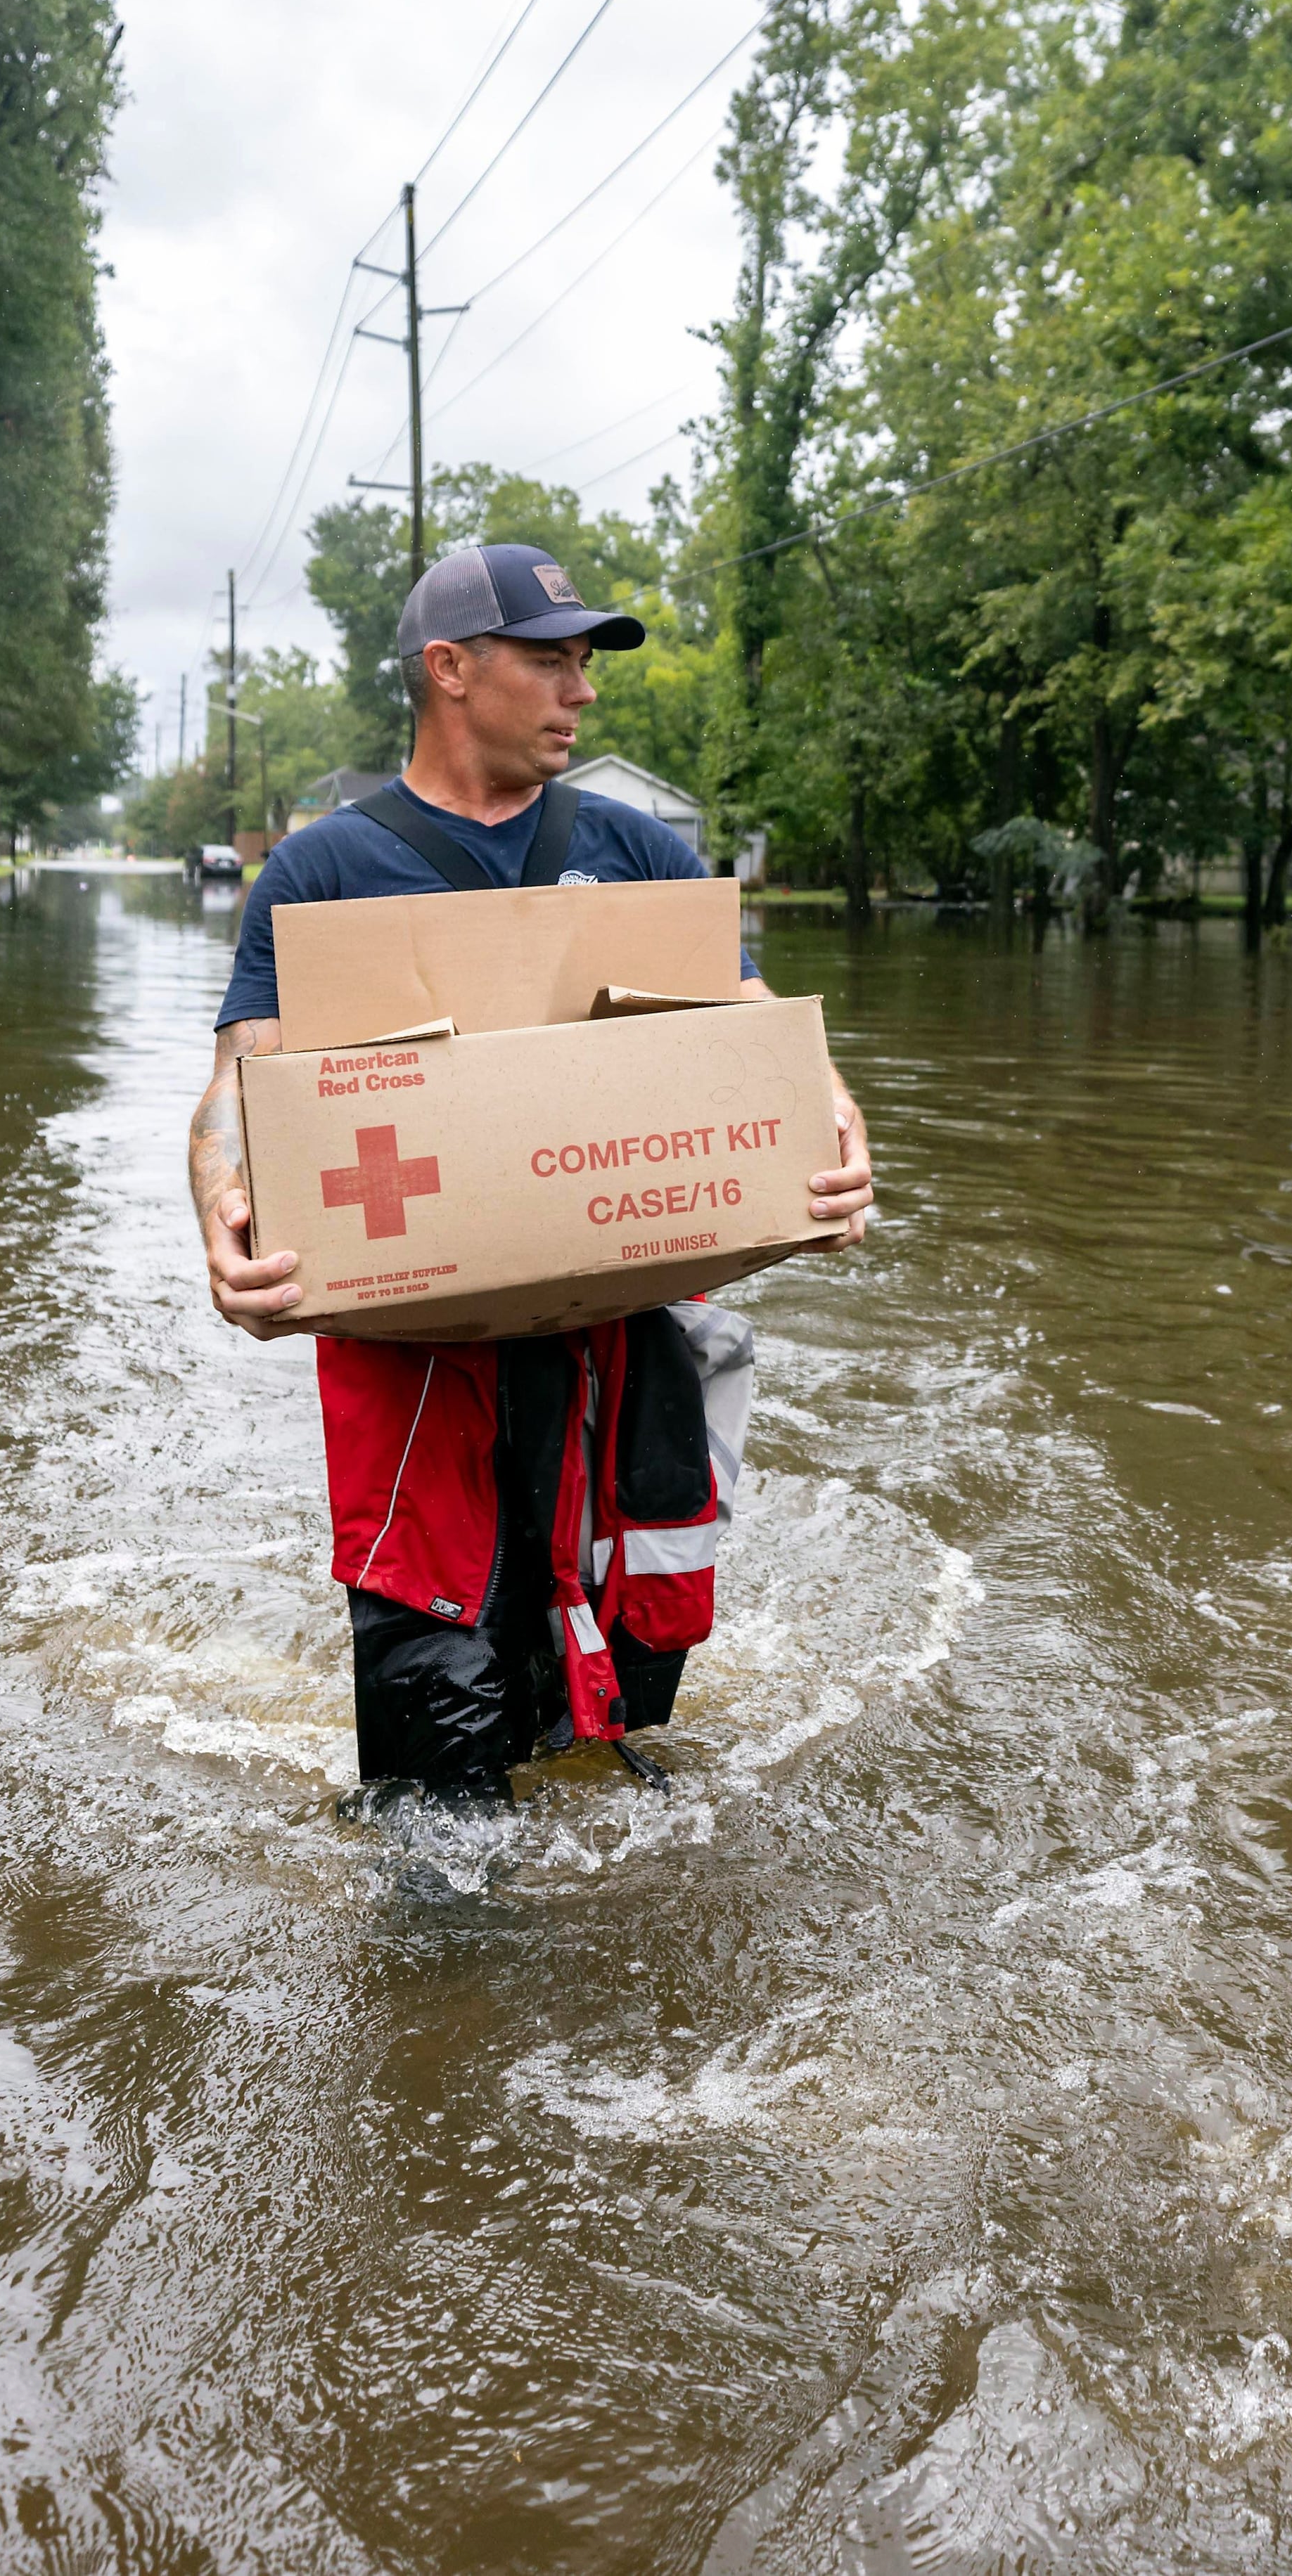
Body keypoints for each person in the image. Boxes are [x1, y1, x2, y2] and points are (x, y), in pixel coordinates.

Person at [187, 543, 876, 1810]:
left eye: (584, 663)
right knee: (438, 1742)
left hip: (610, 1335)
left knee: (608, 1680)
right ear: (451, 669)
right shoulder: (323, 872)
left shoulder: (635, 852)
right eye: (553, 660)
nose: (585, 691)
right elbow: (241, 1081)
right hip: (416, 1357)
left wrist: (833, 1127)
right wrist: (224, 1211)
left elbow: (756, 1021)